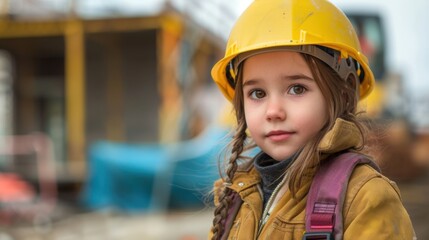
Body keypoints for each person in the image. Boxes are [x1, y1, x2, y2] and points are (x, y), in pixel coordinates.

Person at [208, 0, 415, 239]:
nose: (273, 111)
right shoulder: (235, 199)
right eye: (258, 93)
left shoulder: (364, 199)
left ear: (343, 94)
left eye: (296, 89)